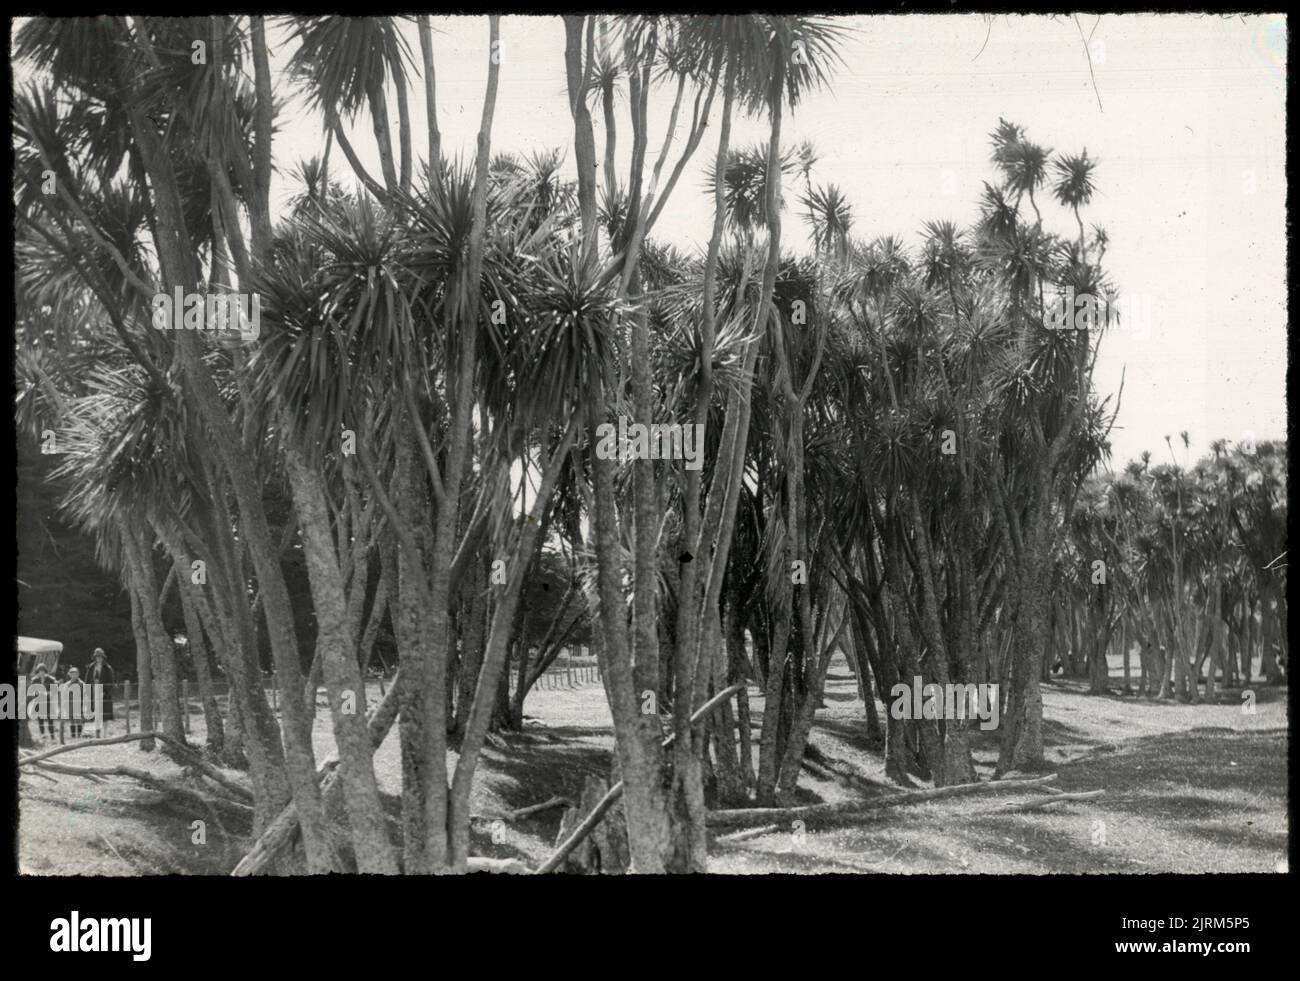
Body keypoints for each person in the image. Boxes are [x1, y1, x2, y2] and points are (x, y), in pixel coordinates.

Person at [85, 648, 115, 737]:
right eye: (97, 656)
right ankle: (97, 731)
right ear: (94, 657)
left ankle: (105, 733)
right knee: (96, 713)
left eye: (100, 656)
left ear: (103, 657)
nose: (98, 658)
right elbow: (87, 681)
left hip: (104, 694)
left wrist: (105, 692)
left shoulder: (108, 668)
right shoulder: (91, 667)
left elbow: (111, 682)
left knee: (105, 714)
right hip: (93, 692)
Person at [28, 663, 55, 739]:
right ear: (37, 672)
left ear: (45, 671)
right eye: (40, 671)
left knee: (50, 719)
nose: (41, 673)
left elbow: (54, 691)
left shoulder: (51, 679)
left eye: (43, 671)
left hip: (49, 702)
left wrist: (49, 693)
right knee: (40, 719)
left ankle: (52, 735)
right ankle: (43, 734)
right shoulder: (34, 680)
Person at [63, 667, 88, 739]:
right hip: (70, 704)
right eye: (72, 674)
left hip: (79, 704)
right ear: (69, 675)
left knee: (79, 719)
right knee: (72, 720)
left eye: (75, 674)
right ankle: (73, 735)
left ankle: (79, 735)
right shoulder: (67, 684)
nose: (74, 675)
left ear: (78, 674)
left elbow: (85, 694)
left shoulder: (82, 684)